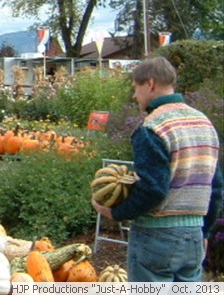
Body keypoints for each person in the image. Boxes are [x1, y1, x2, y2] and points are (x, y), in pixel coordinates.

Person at [92, 56, 223, 282]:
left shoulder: (152, 127)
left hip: (156, 236)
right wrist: (204, 232)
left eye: (136, 87)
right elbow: (216, 186)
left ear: (150, 84)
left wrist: (115, 213)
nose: (134, 96)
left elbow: (153, 189)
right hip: (193, 236)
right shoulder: (204, 123)